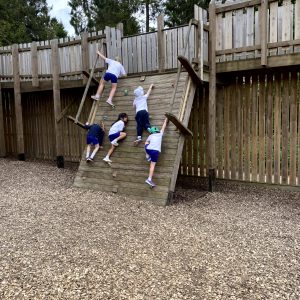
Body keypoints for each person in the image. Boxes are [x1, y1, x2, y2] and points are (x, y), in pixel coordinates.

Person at [144, 118, 168, 188]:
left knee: (146, 143)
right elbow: (164, 126)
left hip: (148, 149)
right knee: (152, 165)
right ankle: (149, 179)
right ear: (157, 130)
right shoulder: (160, 134)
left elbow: (146, 142)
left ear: (152, 132)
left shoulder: (150, 136)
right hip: (155, 152)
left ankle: (147, 156)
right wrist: (166, 120)